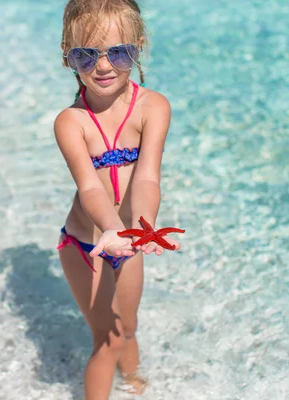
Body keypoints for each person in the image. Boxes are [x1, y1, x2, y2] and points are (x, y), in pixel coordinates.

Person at [54, 0, 181, 398]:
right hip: (85, 245)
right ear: (67, 56)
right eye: (86, 55)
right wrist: (111, 229)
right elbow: (90, 187)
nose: (104, 66)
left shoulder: (153, 107)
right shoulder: (70, 122)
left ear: (139, 47)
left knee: (129, 328)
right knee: (106, 340)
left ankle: (136, 386)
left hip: (130, 241)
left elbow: (147, 177)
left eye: (120, 52)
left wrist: (144, 230)